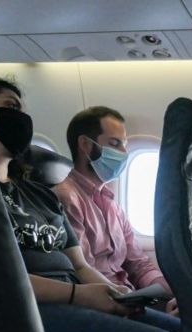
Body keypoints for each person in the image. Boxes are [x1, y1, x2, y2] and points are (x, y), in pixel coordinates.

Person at [0, 77, 181, 332]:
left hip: (74, 299)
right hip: (30, 311)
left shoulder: (41, 196)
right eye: (12, 107)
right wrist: (79, 294)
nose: (22, 120)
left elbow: (80, 265)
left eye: (24, 111)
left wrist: (115, 296)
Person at [52, 106, 178, 316]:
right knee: (178, 331)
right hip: (102, 304)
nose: (124, 153)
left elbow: (138, 264)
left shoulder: (113, 205)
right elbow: (82, 269)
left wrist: (168, 291)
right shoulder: (67, 198)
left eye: (125, 145)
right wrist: (130, 301)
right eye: (114, 144)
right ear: (85, 145)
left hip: (128, 297)